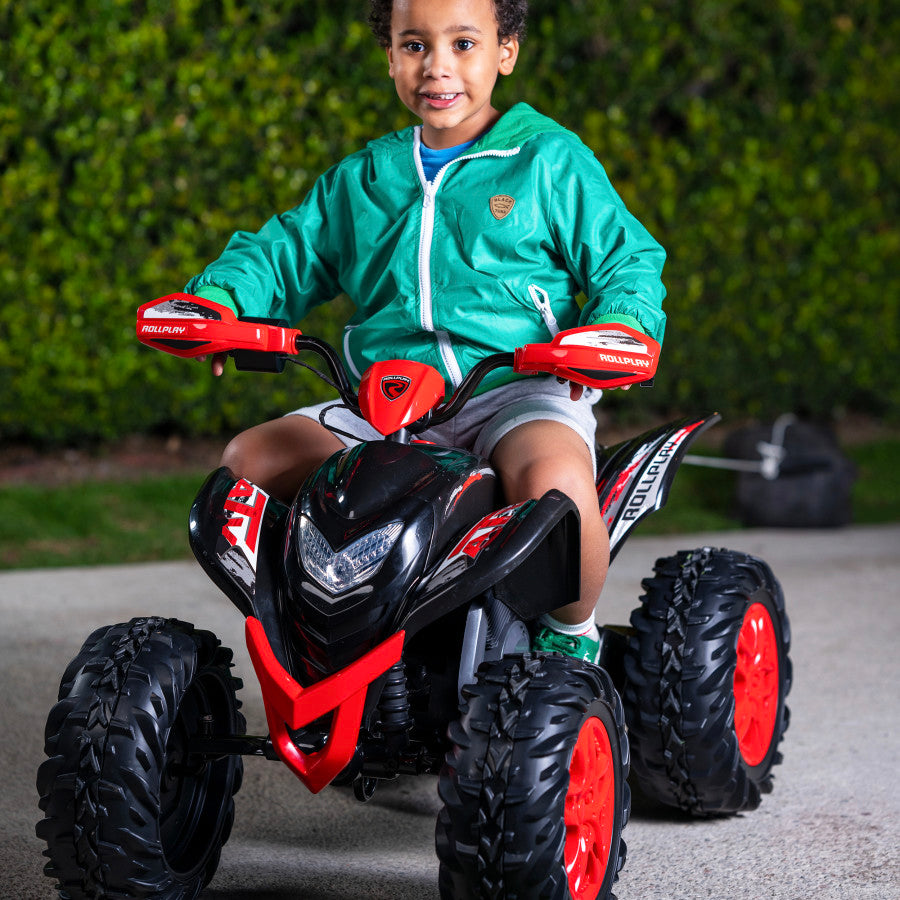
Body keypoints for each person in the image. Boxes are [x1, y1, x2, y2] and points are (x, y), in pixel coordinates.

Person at [185, 0, 666, 663]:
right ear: (390, 55)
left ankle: (571, 635)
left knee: (557, 488)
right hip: (383, 404)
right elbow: (287, 251)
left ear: (507, 50)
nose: (438, 66)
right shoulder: (366, 178)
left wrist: (619, 326)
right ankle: (314, 632)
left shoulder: (548, 160)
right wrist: (222, 299)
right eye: (415, 45)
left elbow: (625, 258)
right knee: (248, 464)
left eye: (464, 43)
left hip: (514, 393)